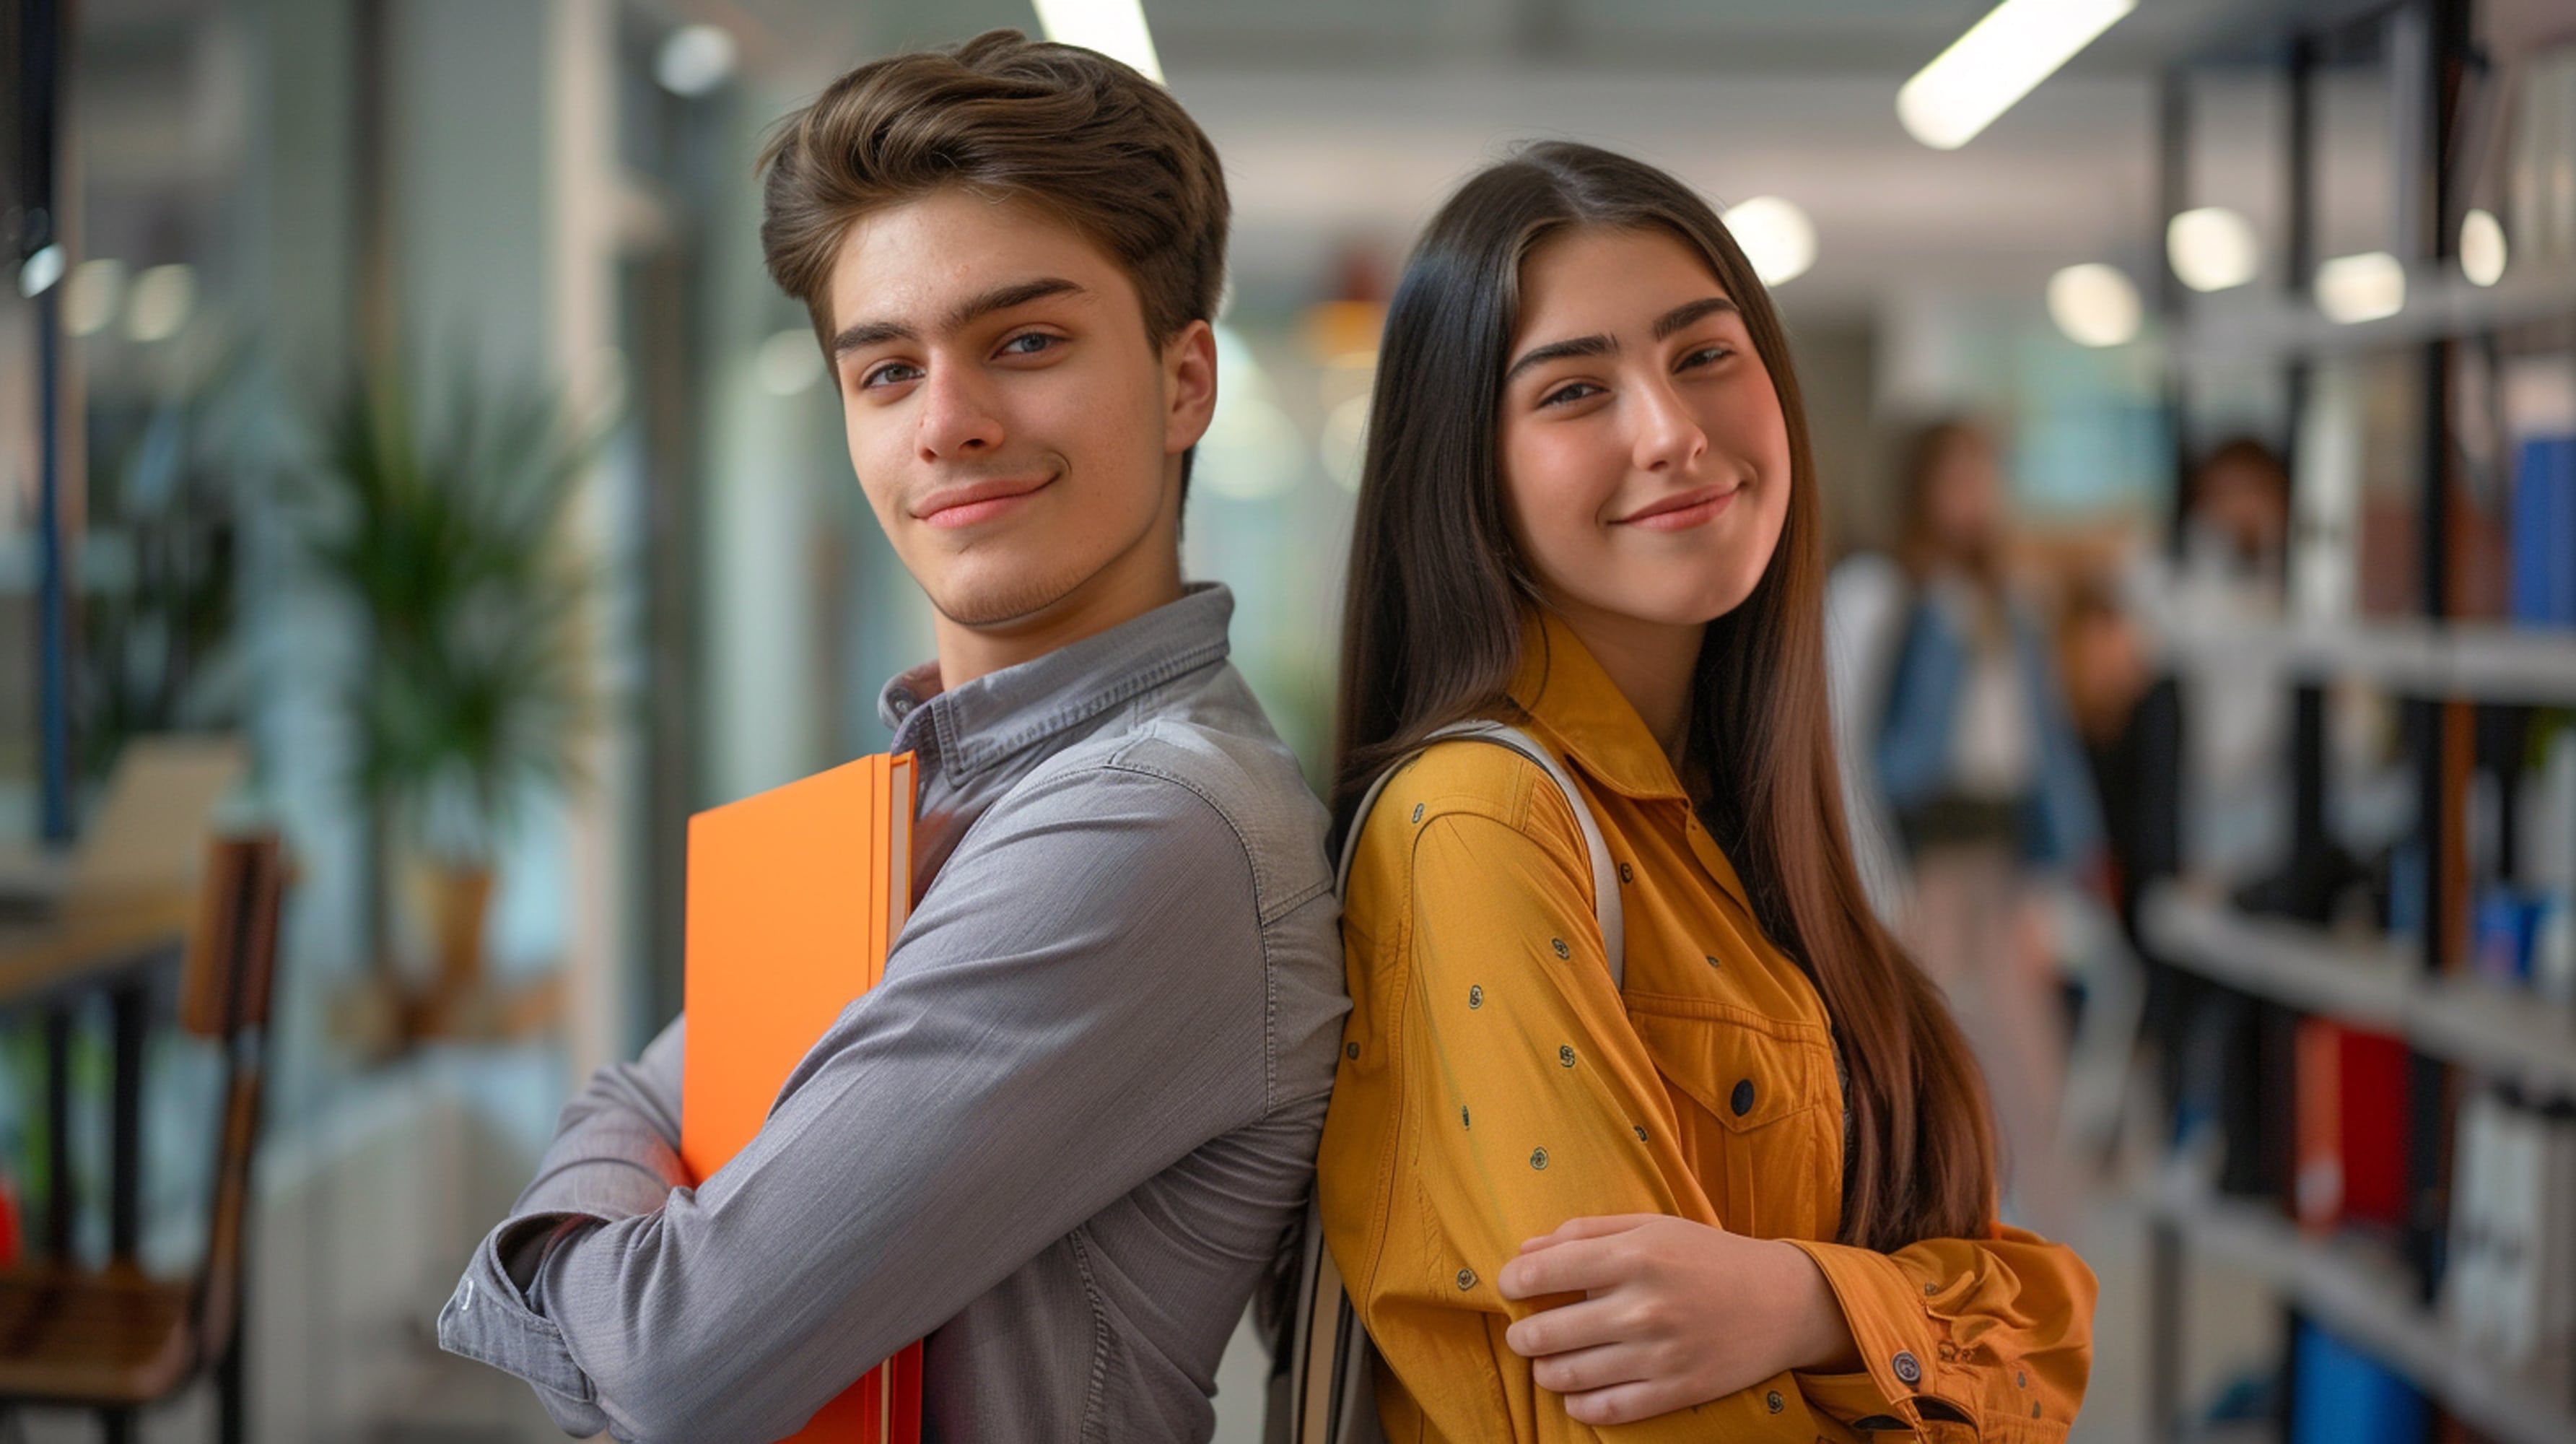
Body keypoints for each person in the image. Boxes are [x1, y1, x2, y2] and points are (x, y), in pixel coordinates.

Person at [436, 31, 1347, 1442]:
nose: (949, 424)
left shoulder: (1145, 825)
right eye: (883, 372)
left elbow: (676, 1354)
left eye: (1024, 343)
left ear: (1185, 382)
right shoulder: (940, 792)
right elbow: (631, 1092)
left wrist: (583, 1239)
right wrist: (629, 1219)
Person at [1316, 141, 2095, 1440]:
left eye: (1701, 356)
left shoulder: (1753, 826)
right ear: (1465, 473)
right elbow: (1644, 1408)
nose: (1672, 433)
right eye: (1572, 392)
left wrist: (1798, 1301)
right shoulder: (1477, 823)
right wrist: (1907, 1320)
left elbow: (2053, 1320)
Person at [1873, 419, 2106, 1238]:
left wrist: (2070, 845)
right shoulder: (1905, 596)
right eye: (1957, 477)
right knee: (1922, 1040)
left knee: (2024, 1046)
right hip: (1930, 849)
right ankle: (1920, 1222)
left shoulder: (2008, 604)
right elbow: (1882, 742)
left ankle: (2043, 1232)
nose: (1974, 495)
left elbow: (2039, 740)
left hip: (2001, 846)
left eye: (1983, 475)